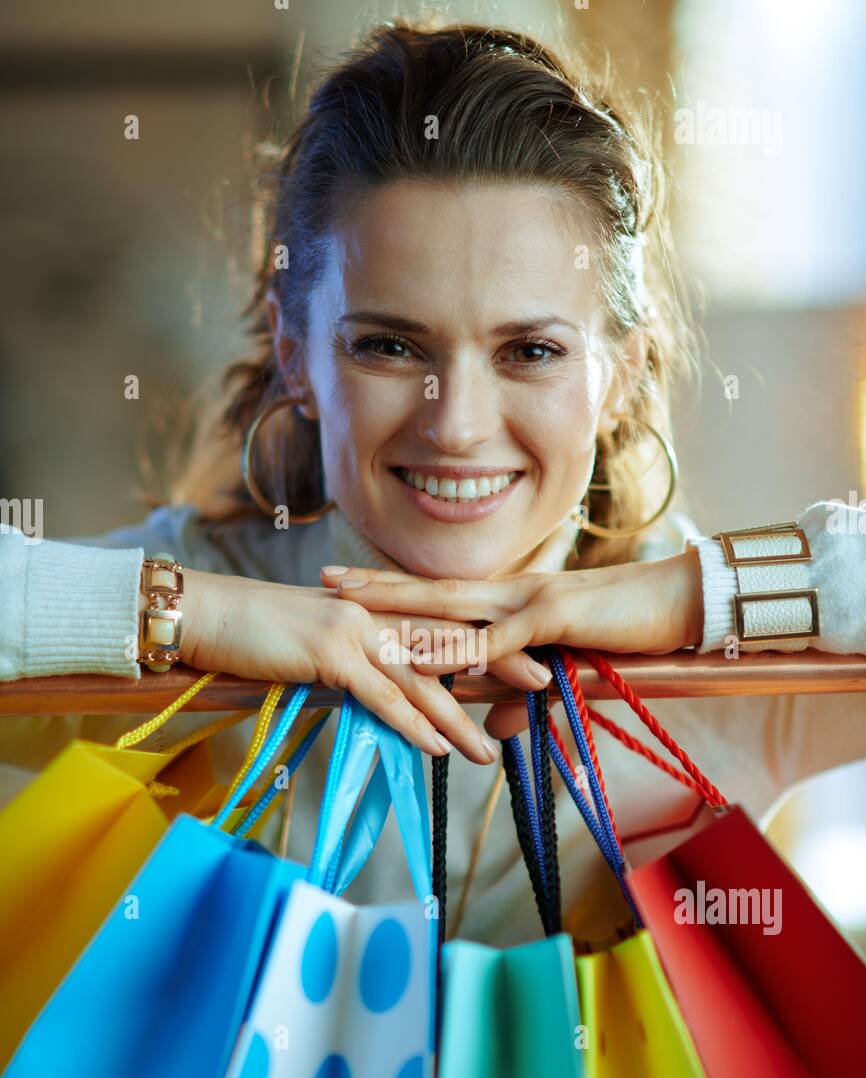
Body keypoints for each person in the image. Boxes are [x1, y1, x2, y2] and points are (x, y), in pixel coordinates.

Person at [2, 20, 865, 947]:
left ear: (621, 376)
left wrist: (692, 593)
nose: (454, 423)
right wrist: (204, 617)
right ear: (296, 359)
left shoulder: (726, 664)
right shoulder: (185, 598)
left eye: (530, 350)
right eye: (387, 345)